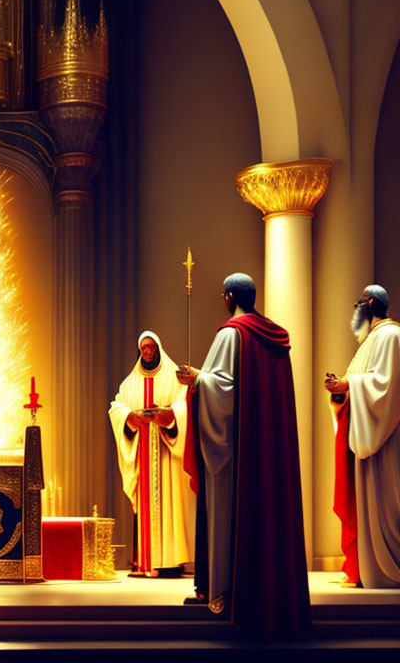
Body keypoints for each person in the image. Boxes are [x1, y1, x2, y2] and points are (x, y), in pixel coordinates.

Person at [177, 273, 309, 641]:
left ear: (231, 296)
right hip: (269, 452)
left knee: (227, 516)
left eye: (223, 294)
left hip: (235, 456)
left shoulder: (230, 334)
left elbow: (221, 391)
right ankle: (273, 593)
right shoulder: (275, 338)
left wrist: (196, 379)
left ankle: (224, 590)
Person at [325, 284, 400, 588]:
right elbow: (362, 381)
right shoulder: (371, 340)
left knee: (385, 501)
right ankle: (364, 568)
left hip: (386, 439)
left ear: (370, 303)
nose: (355, 311)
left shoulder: (392, 337)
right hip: (366, 433)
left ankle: (387, 570)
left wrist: (348, 385)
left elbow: (386, 386)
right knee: (364, 502)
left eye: (358, 305)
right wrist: (341, 391)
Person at [109, 331, 193, 577]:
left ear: (158, 348)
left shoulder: (173, 377)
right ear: (140, 351)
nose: (147, 352)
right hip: (143, 456)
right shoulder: (130, 383)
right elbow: (117, 407)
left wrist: (170, 416)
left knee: (169, 505)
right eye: (143, 348)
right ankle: (144, 561)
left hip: (167, 455)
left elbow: (184, 404)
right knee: (145, 508)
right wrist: (130, 418)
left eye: (151, 347)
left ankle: (169, 561)